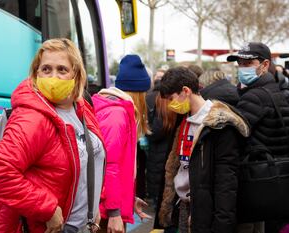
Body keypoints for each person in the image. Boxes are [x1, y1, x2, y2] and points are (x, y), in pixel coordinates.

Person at [0, 38, 106, 233]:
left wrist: (93, 204)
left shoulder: (81, 108)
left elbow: (92, 159)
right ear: (36, 74)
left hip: (80, 225)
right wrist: (46, 209)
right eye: (46, 69)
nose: (53, 76)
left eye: (62, 69)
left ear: (76, 75)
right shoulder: (33, 118)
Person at [157, 67, 250, 233]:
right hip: (183, 206)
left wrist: (220, 224)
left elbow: (225, 183)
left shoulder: (219, 125)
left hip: (205, 211)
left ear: (186, 91)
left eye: (171, 99)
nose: (171, 106)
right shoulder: (183, 120)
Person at [227, 42, 289, 233]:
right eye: (240, 64)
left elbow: (234, 137)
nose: (242, 68)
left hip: (253, 177)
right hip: (269, 177)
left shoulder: (255, 96)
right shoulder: (274, 90)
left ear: (264, 65)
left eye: (248, 63)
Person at [92, 54, 152, 233]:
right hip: (105, 213)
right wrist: (114, 212)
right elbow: (109, 166)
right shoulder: (116, 115)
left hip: (107, 208)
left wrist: (129, 199)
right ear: (139, 92)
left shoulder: (115, 110)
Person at [146, 71, 180, 233]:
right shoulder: (179, 110)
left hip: (158, 159)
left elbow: (157, 130)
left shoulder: (160, 101)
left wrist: (147, 131)